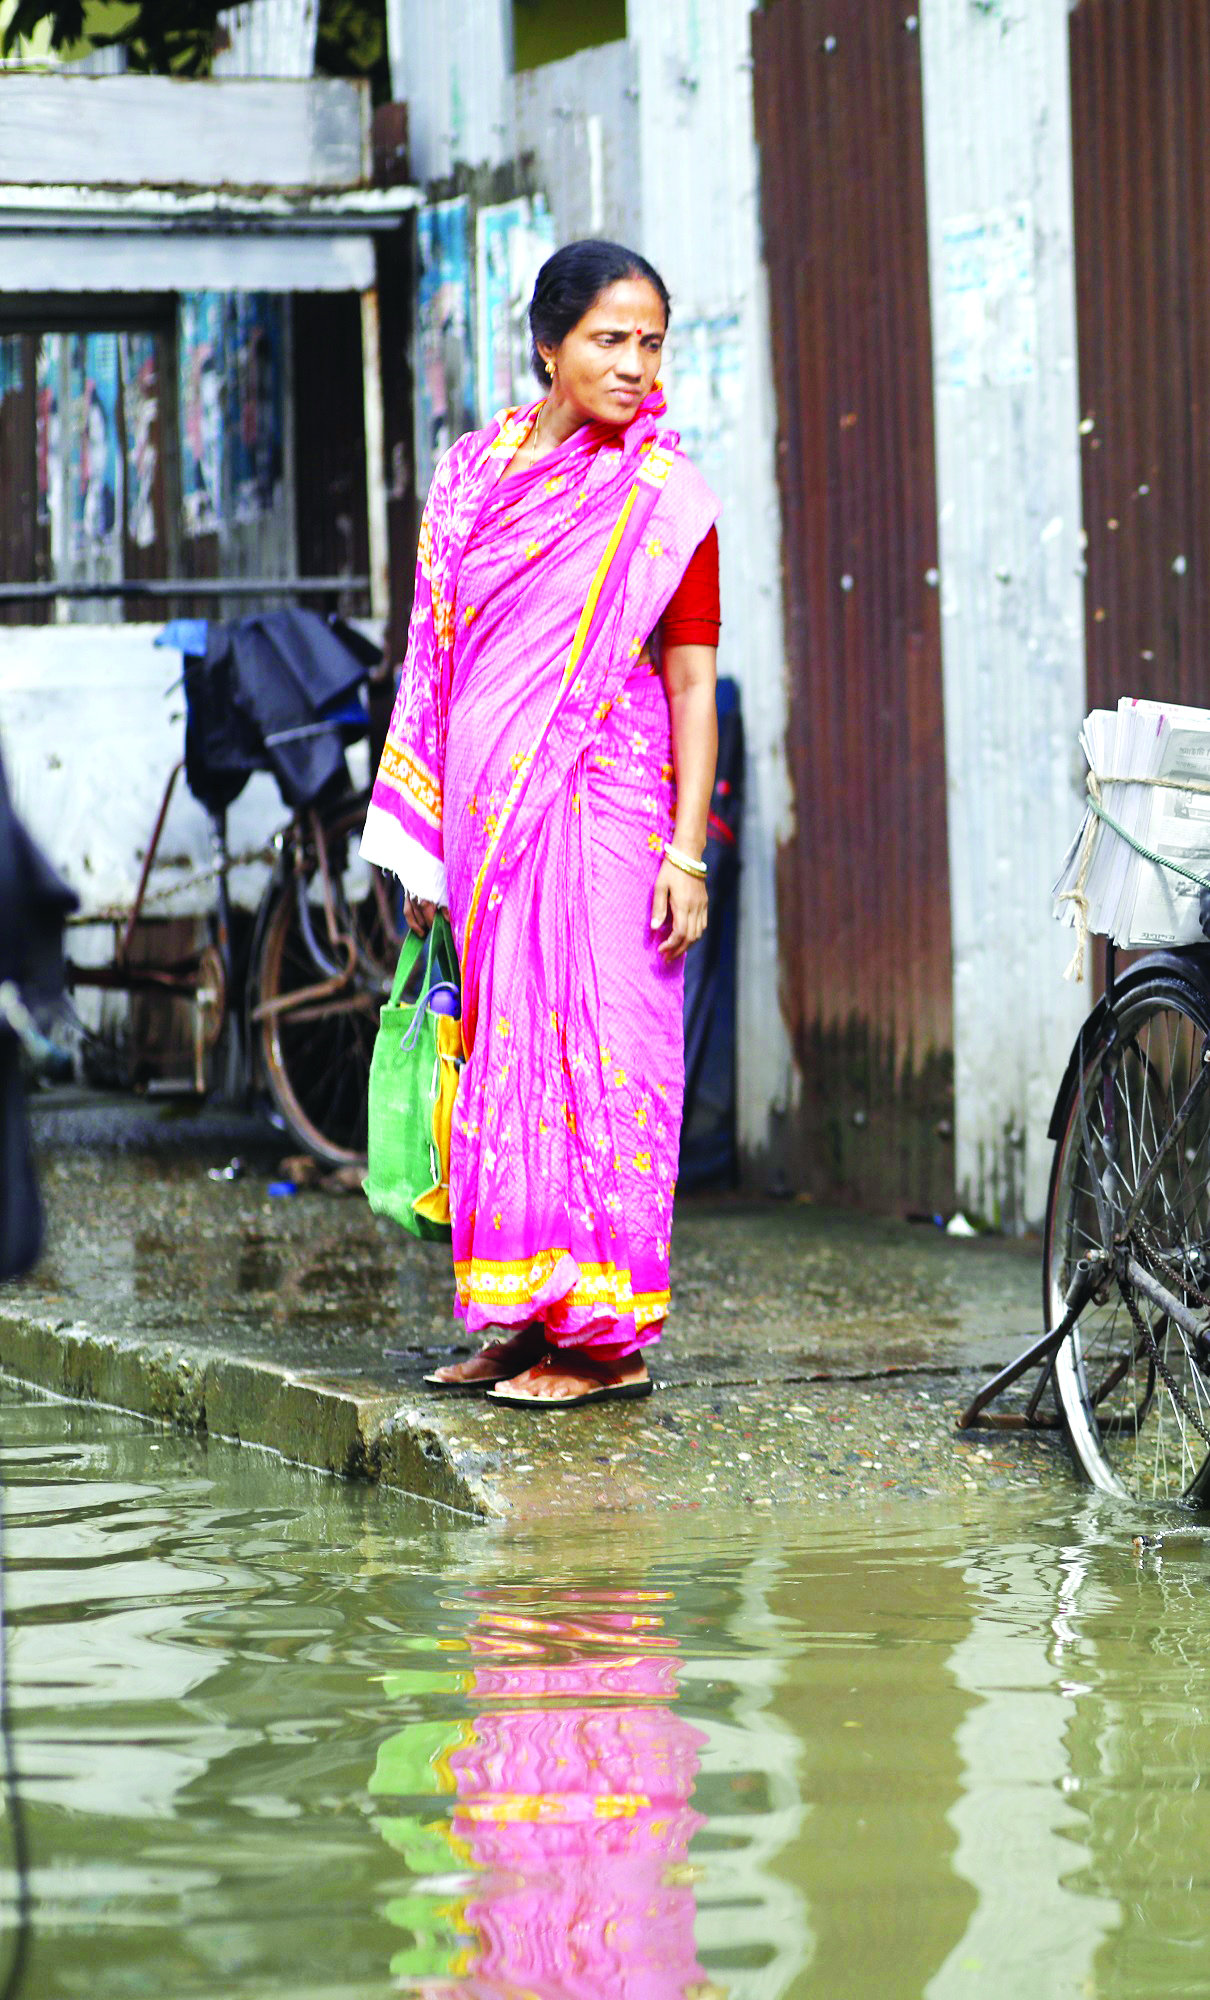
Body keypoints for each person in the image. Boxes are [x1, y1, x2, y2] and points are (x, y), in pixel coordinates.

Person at [361, 240, 723, 1409]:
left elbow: (690, 686)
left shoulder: (667, 499)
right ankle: (519, 1318)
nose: (633, 364)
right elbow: (434, 655)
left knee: (606, 1058)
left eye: (652, 342)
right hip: (488, 819)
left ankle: (605, 1340)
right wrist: (421, 843)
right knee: (506, 1061)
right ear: (548, 346)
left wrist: (688, 852)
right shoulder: (472, 476)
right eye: (610, 339)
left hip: (617, 812)